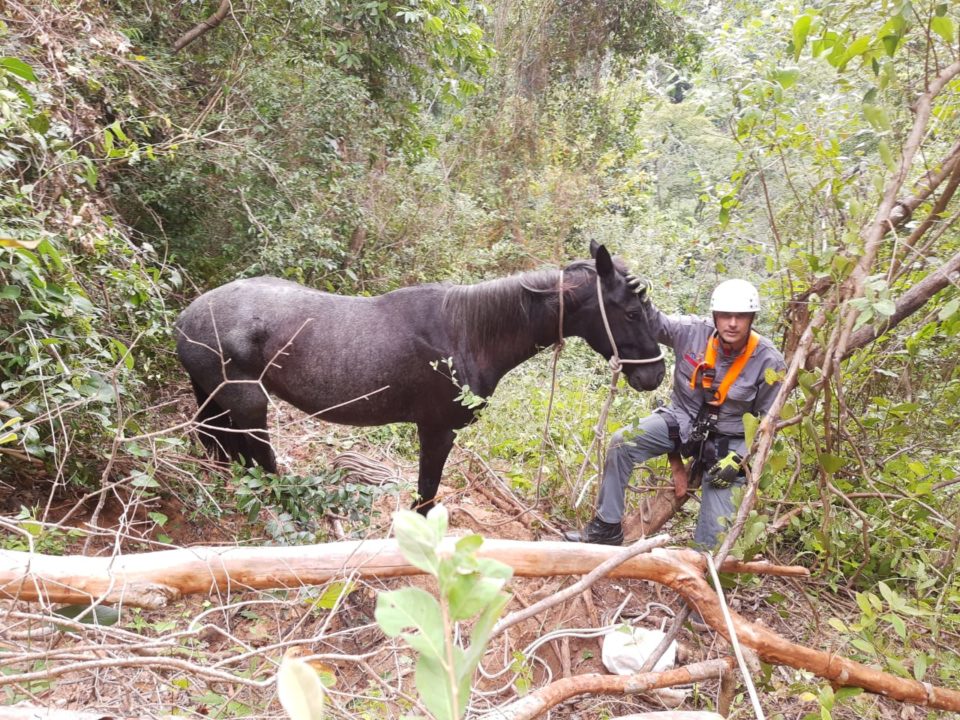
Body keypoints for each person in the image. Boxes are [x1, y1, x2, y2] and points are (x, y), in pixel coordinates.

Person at [564, 278, 786, 548]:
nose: (732, 323)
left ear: (752, 319)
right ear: (714, 315)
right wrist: (639, 299)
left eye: (741, 316)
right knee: (622, 442)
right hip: (681, 421)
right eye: (726, 315)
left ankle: (699, 568)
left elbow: (768, 422)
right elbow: (656, 324)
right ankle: (606, 528)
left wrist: (739, 459)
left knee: (714, 539)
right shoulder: (692, 331)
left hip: (727, 442)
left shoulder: (769, 360)